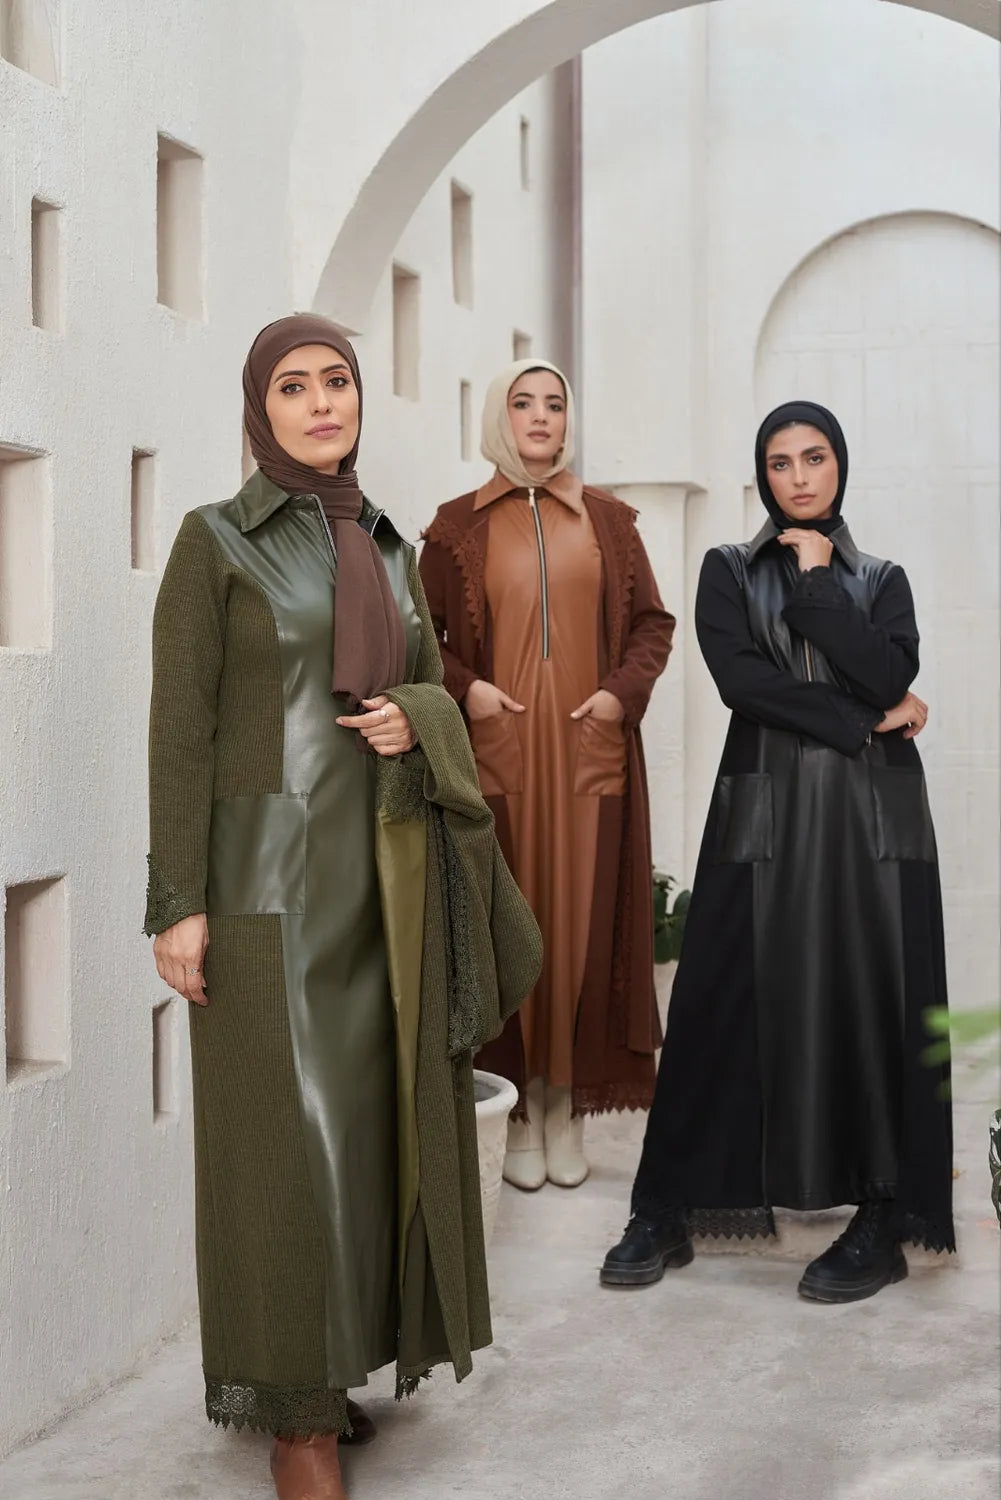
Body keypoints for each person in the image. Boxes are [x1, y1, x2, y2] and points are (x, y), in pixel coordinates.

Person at [145, 315, 541, 1500]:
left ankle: (341, 1370)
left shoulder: (383, 540)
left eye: (336, 383)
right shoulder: (213, 543)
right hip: (266, 900)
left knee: (373, 1144)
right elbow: (180, 733)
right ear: (258, 409)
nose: (321, 404)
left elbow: (417, 680)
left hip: (385, 889)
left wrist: (412, 716)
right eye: (293, 386)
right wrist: (178, 904)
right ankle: (294, 1419)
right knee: (282, 1157)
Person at [601, 400, 954, 1302]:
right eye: (781, 462)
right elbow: (741, 682)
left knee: (873, 1004)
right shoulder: (726, 568)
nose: (798, 477)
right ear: (760, 474)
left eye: (815, 459)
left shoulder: (881, 578)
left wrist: (822, 583)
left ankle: (878, 1218)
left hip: (873, 828)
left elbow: (888, 670)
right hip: (765, 816)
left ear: (840, 466)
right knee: (722, 999)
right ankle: (666, 1206)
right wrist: (861, 717)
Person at [419, 359, 674, 1191]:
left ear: (568, 422)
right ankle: (520, 1108)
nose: (539, 416)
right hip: (499, 760)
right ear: (499, 417)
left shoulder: (607, 520)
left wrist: (615, 695)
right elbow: (426, 644)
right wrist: (472, 691)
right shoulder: (455, 527)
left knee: (580, 931)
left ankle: (564, 1105)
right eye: (522, 403)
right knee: (509, 927)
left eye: (553, 403)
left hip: (589, 759)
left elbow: (651, 625)